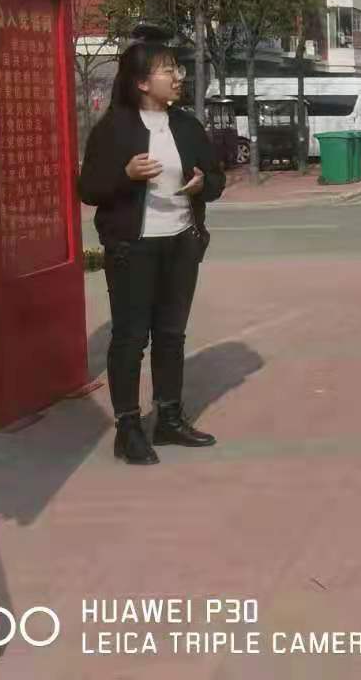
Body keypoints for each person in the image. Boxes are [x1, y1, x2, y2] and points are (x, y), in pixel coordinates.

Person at [79, 37, 226, 466]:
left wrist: (202, 184)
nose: (178, 76)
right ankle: (127, 428)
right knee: (130, 338)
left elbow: (216, 179)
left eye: (177, 69)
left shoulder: (187, 126)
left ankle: (169, 418)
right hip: (132, 248)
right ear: (142, 82)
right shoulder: (114, 128)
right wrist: (125, 175)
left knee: (171, 334)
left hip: (181, 242)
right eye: (168, 70)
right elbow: (89, 189)